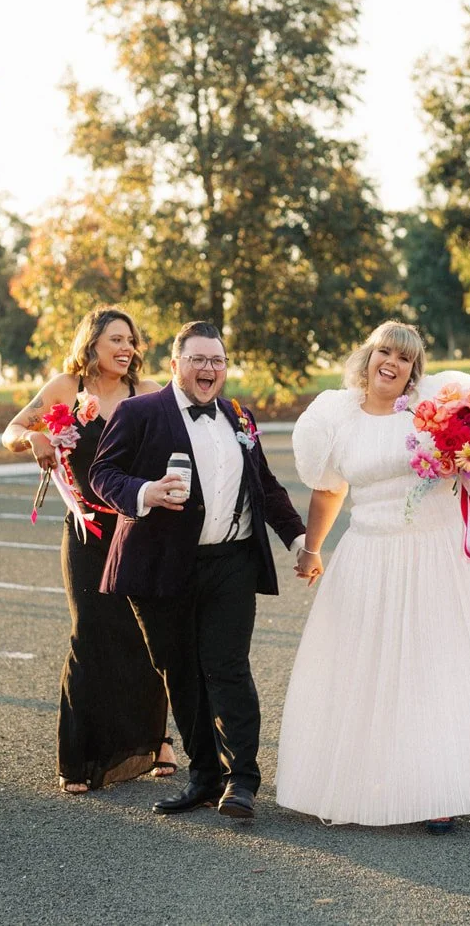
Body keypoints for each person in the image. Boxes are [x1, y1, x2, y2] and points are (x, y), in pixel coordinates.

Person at [276, 321, 470, 833]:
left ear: (413, 371)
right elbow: (329, 491)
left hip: (436, 556)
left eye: (404, 358)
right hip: (368, 557)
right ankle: (363, 785)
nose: (392, 363)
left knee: (433, 669)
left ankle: (438, 790)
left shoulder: (433, 413)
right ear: (368, 355)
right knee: (366, 668)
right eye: (385, 352)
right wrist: (311, 550)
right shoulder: (337, 418)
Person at [89, 321, 308, 821]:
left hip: (230, 561)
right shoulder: (139, 412)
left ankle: (242, 780)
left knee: (227, 667)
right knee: (179, 671)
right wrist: (145, 493)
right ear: (175, 364)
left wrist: (299, 540)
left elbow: (266, 486)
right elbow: (104, 472)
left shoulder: (238, 416)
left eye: (217, 360)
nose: (209, 368)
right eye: (198, 359)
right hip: (161, 564)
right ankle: (204, 777)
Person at [1, 306, 177, 793]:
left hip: (139, 530)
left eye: (131, 341)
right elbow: (11, 431)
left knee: (145, 635)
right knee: (90, 632)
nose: (127, 348)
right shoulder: (66, 388)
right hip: (86, 530)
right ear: (92, 342)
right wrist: (36, 435)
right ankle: (77, 757)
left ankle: (154, 741)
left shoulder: (145, 394)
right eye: (116, 339)